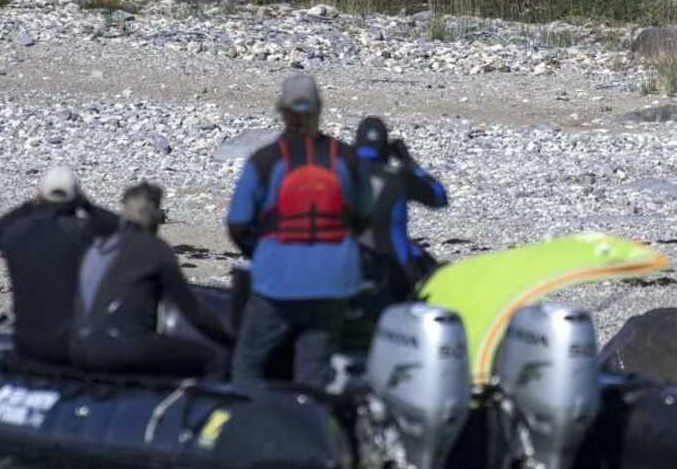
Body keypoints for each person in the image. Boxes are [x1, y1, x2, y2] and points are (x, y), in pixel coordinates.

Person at [226, 74, 369, 388]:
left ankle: (251, 427)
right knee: (313, 371)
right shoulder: (346, 158)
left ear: (282, 111)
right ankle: (311, 428)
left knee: (247, 365)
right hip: (334, 279)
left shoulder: (265, 161)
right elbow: (364, 216)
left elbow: (237, 223)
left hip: (278, 280)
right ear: (319, 109)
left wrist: (261, 252)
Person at [70, 182, 233, 378]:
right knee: (216, 359)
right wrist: (229, 339)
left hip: (81, 344)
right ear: (155, 215)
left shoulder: (101, 246)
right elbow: (194, 313)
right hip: (125, 344)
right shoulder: (156, 249)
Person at [0, 166, 120, 364]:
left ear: (41, 195)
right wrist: (87, 205)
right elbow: (119, 227)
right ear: (75, 197)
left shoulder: (17, 234)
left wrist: (32, 204)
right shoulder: (85, 234)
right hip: (74, 343)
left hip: (28, 343)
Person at [354, 116, 447, 291]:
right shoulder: (398, 178)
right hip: (397, 275)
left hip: (348, 269)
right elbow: (439, 196)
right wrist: (409, 162)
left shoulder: (340, 175)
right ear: (386, 148)